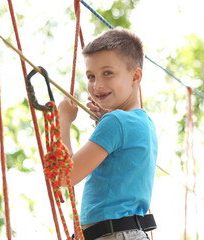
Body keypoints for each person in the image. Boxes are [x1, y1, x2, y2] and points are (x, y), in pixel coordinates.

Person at [58, 28, 158, 240]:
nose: (97, 85)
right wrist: (107, 118)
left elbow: (66, 177)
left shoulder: (116, 122)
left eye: (108, 73)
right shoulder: (145, 123)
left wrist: (63, 119)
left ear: (135, 76)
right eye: (91, 76)